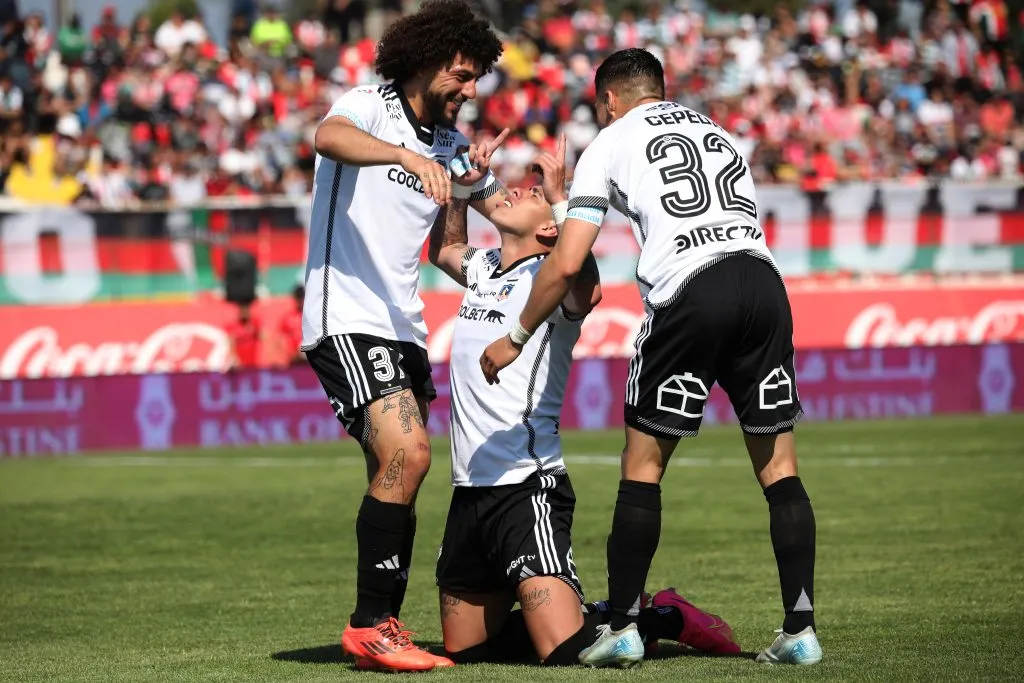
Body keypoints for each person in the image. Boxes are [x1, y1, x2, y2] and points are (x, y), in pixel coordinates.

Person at [480, 48, 821, 667]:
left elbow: (566, 261)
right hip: (764, 286)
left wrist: (516, 335)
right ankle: (800, 630)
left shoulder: (609, 143)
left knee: (642, 469)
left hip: (691, 290)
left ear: (608, 100)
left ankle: (626, 625)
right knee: (780, 468)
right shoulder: (716, 132)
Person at [430, 135, 741, 667]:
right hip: (468, 489)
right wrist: (461, 191)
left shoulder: (552, 280)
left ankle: (662, 616)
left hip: (528, 486)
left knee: (565, 651)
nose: (506, 192)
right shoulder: (483, 270)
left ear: (549, 228)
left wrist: (560, 197)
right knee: (468, 649)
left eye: (523, 194)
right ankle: (593, 613)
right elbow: (443, 249)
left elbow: (585, 288)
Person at [299, 0, 507, 672]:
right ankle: (369, 624)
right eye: (463, 74)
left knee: (399, 474)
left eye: (477, 79)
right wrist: (402, 157)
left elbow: (449, 251)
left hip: (404, 328)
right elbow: (325, 137)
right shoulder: (371, 106)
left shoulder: (448, 143)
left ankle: (382, 628)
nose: (471, 90)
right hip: (346, 316)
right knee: (410, 453)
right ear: (425, 60)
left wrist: (478, 195)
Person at [276, 283, 305, 366]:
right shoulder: (288, 318)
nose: (300, 301)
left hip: (309, 358)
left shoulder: (311, 317)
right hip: (293, 360)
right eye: (298, 298)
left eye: (301, 298)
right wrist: (290, 354)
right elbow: (280, 339)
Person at [226, 303, 261, 370]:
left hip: (253, 360)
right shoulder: (233, 326)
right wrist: (234, 358)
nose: (244, 314)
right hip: (240, 360)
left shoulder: (254, 323)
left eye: (246, 311)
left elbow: (263, 337)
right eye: (243, 312)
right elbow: (231, 343)